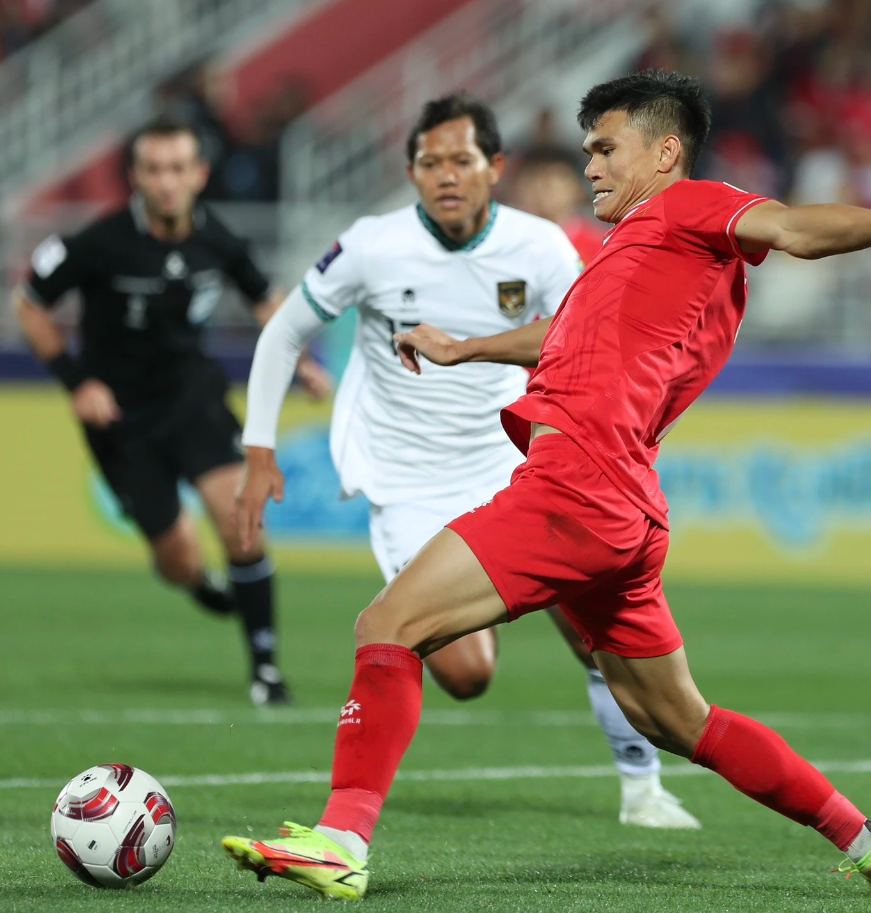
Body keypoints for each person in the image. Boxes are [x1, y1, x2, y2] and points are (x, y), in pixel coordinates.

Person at [221, 71, 871, 899]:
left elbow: (793, 227)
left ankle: (341, 838)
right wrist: (466, 348)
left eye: (605, 147)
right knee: (677, 719)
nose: (590, 164)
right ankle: (867, 837)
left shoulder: (686, 206)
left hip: (576, 485)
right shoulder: (644, 253)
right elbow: (565, 336)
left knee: (389, 623)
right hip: (622, 504)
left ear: (665, 153)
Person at [234, 93, 698, 831]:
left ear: (495, 168)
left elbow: (592, 336)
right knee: (466, 672)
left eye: (460, 160)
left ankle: (642, 787)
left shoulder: (541, 247)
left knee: (592, 633)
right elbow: (282, 333)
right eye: (428, 162)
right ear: (411, 172)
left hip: (515, 465)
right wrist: (258, 448)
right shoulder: (369, 247)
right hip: (408, 483)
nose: (445, 175)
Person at [14, 116, 330, 706]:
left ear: (200, 174)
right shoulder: (98, 243)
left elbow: (266, 300)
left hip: (195, 400)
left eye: (179, 169)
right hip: (121, 421)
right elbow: (29, 305)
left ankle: (265, 667)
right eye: (154, 170)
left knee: (241, 521)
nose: (167, 182)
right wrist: (76, 382)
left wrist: (303, 362)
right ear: (135, 177)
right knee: (177, 558)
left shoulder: (220, 239)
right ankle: (202, 586)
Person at [512, 145, 607, 264]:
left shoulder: (600, 246)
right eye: (534, 176)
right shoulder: (505, 240)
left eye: (557, 177)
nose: (544, 186)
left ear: (578, 188)